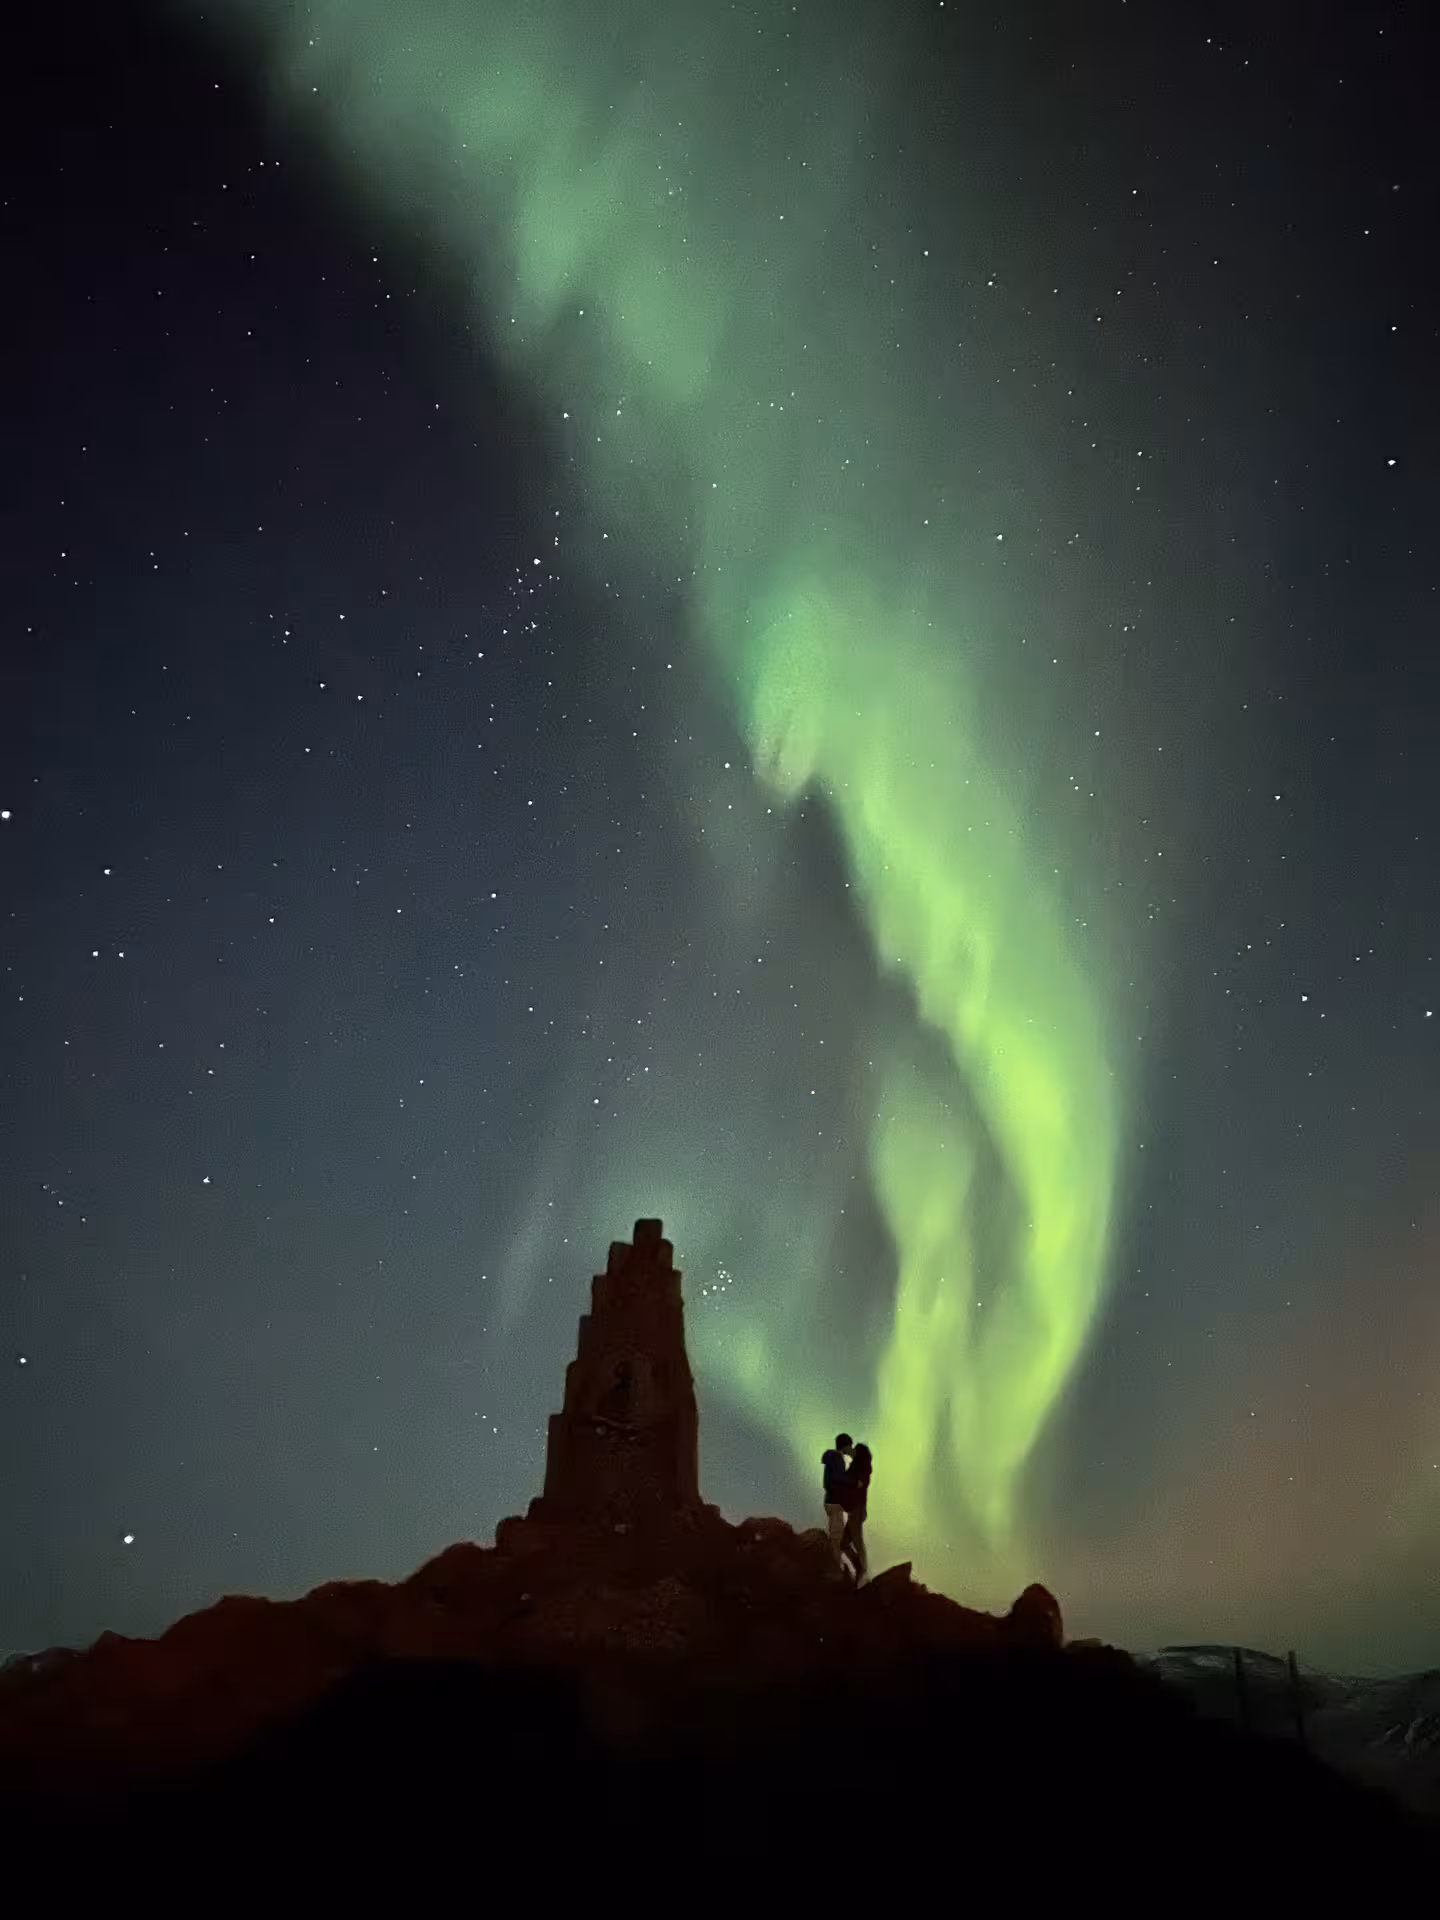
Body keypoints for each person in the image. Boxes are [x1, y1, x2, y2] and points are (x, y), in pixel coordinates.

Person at [841, 1441, 872, 1587]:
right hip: (855, 1508)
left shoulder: (861, 1464)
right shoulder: (858, 1466)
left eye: (844, 1449)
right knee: (843, 1542)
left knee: (857, 1540)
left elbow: (860, 1484)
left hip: (856, 1509)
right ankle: (860, 1569)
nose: (845, 1453)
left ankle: (863, 1572)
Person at [821, 1432, 853, 1565]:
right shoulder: (837, 1459)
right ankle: (834, 1567)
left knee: (837, 1535)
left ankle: (835, 1565)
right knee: (837, 1538)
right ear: (844, 1446)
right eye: (849, 1446)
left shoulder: (832, 1458)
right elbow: (838, 1480)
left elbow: (828, 1482)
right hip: (834, 1502)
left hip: (830, 1501)